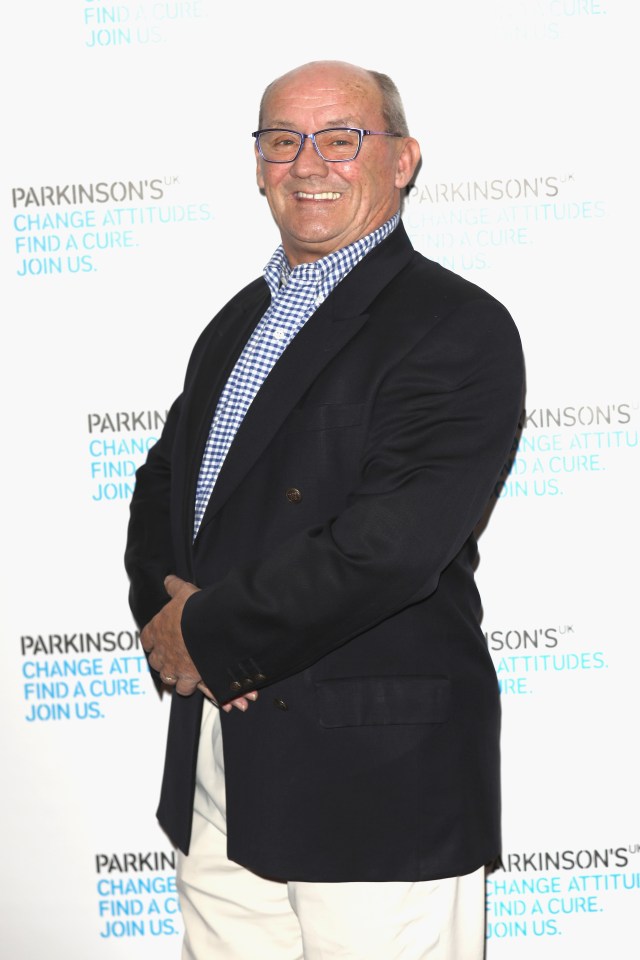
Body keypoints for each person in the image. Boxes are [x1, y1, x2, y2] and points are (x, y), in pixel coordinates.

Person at [125, 60, 524, 960]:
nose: (309, 163)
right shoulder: (238, 321)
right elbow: (162, 489)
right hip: (222, 765)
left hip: (376, 782)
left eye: (341, 138)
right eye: (281, 140)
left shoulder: (455, 324)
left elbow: (394, 544)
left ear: (404, 159)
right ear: (259, 164)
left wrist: (219, 633)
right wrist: (171, 620)